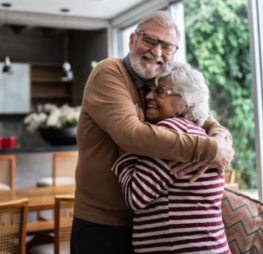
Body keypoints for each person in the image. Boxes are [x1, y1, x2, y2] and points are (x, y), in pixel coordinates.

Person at [71, 11, 234, 254]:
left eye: (167, 47)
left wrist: (221, 140)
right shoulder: (110, 72)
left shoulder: (161, 83)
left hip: (144, 224)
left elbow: (203, 116)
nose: (157, 52)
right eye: (150, 40)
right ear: (132, 41)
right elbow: (131, 135)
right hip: (102, 224)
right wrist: (208, 149)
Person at [112, 62, 230, 254]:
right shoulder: (198, 133)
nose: (148, 96)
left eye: (160, 91)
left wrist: (125, 147)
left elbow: (135, 196)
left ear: (185, 102)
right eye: (150, 90)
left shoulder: (172, 130)